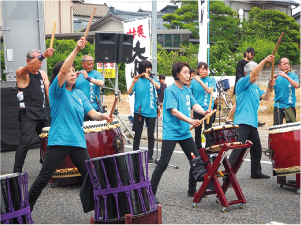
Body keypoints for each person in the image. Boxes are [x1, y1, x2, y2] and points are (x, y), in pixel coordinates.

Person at [28, 37, 113, 211]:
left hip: (78, 143)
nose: (73, 73)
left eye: (74, 71)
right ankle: (23, 210)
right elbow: (63, 70)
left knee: (92, 178)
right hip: (59, 142)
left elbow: (92, 114)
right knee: (43, 178)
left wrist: (104, 116)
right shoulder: (56, 92)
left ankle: (102, 212)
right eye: (69, 71)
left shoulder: (79, 95)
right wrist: (76, 50)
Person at [151, 62, 211, 203]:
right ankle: (150, 194)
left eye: (188, 72)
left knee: (196, 161)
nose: (188, 75)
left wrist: (204, 111)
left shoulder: (187, 90)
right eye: (184, 72)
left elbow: (194, 105)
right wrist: (191, 121)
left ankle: (192, 190)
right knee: (163, 164)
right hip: (171, 133)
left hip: (184, 133)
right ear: (177, 74)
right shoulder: (170, 90)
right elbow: (174, 111)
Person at [228, 55, 275, 179]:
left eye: (258, 75)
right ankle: (227, 175)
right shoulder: (242, 83)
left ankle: (256, 172)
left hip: (252, 123)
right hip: (242, 122)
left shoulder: (255, 87)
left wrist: (270, 87)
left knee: (257, 149)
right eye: (255, 75)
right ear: (246, 73)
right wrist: (265, 60)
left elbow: (266, 97)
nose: (256, 77)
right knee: (238, 150)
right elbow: (254, 72)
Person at [13, 48, 55, 173]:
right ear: (28, 60)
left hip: (41, 112)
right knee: (25, 142)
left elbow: (48, 93)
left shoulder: (42, 74)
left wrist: (54, 108)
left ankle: (48, 169)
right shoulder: (22, 72)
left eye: (41, 61)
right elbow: (29, 68)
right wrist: (43, 55)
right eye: (36, 60)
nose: (39, 63)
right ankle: (17, 172)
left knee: (49, 141)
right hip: (28, 114)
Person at [127, 60, 160, 163]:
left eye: (150, 67)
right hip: (139, 111)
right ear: (142, 68)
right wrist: (133, 82)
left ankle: (150, 156)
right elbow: (129, 92)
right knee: (138, 134)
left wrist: (149, 78)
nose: (149, 69)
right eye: (147, 67)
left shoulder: (152, 80)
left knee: (151, 135)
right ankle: (135, 154)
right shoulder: (137, 80)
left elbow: (158, 87)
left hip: (151, 111)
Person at [225, 47, 265, 126]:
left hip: (249, 85)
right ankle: (228, 118)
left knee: (251, 102)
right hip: (242, 87)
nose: (253, 55)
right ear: (246, 53)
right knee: (238, 104)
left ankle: (253, 119)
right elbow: (239, 74)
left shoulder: (252, 64)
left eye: (254, 54)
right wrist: (244, 83)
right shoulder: (241, 62)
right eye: (251, 54)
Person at [189, 62, 216, 150]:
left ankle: (208, 149)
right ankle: (198, 149)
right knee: (197, 130)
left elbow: (209, 90)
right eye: (202, 69)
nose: (205, 71)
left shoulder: (211, 80)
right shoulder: (193, 81)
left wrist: (200, 81)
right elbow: (190, 94)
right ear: (198, 70)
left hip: (208, 109)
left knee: (208, 130)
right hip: (198, 109)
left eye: (206, 69)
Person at [76, 55, 104, 121]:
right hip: (80, 108)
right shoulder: (77, 75)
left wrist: (88, 78)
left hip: (94, 107)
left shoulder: (96, 73)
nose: (91, 65)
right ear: (82, 64)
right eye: (89, 64)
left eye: (92, 63)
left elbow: (101, 83)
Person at [273, 57, 300, 125]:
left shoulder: (293, 75)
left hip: (290, 106)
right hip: (278, 106)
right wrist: (271, 82)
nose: (287, 65)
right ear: (279, 66)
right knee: (277, 128)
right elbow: (269, 90)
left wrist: (287, 77)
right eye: (284, 64)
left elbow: (297, 85)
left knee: (291, 128)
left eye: (288, 63)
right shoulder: (276, 77)